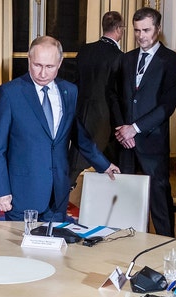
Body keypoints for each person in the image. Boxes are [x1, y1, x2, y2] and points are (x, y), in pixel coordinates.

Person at [0, 35, 119, 222]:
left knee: (55, 246)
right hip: (22, 193)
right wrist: (1, 190)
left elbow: (78, 133)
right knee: (20, 249)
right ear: (29, 60)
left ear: (59, 63)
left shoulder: (70, 91)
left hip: (58, 191)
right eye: (37, 65)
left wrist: (103, 163)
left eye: (49, 67)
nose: (42, 73)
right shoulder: (9, 93)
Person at [114, 7, 176, 237]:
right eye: (136, 30)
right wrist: (122, 130)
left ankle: (167, 247)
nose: (141, 35)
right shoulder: (126, 59)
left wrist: (134, 129)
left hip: (152, 144)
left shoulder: (172, 61)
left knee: (160, 203)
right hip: (125, 144)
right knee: (125, 202)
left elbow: (167, 106)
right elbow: (115, 96)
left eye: (146, 30)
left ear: (158, 28)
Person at [68, 11, 124, 186]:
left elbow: (75, 81)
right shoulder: (119, 57)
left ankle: (62, 193)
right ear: (119, 29)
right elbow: (118, 92)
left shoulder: (85, 50)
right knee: (111, 161)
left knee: (75, 162)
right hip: (105, 116)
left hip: (80, 111)